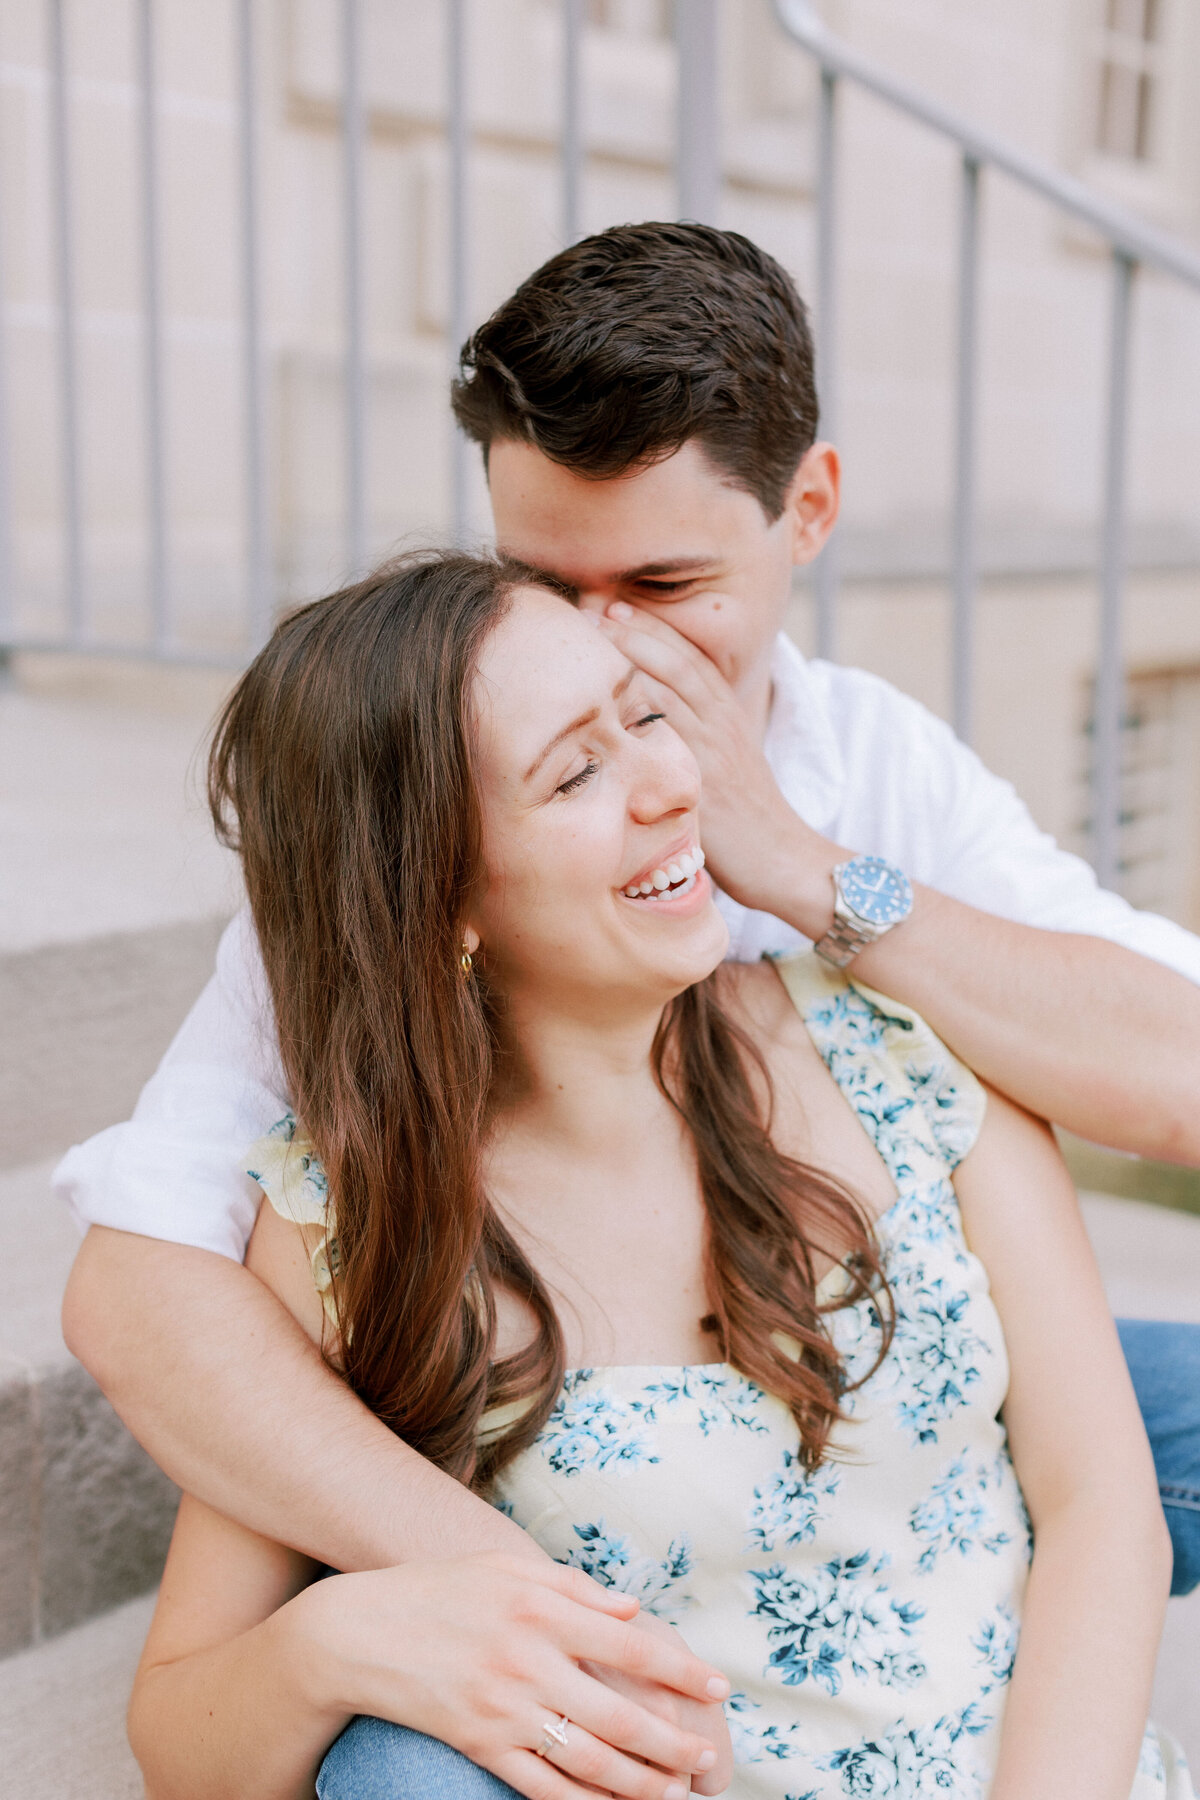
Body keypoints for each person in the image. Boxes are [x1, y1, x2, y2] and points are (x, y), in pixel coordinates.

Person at [57, 226, 1200, 1769]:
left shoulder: (872, 785)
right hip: (541, 1413)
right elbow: (138, 1297)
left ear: (809, 513)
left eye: (665, 585)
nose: (614, 655)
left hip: (867, 1344)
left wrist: (807, 872)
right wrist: (487, 1595)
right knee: (398, 1755)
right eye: (544, 584)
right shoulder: (423, 805)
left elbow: (1175, 1088)